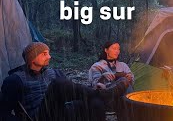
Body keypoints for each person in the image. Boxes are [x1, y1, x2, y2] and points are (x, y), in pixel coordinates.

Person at [0, 42, 130, 121]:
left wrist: (96, 86)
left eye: (48, 53)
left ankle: (101, 94)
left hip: (59, 112)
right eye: (44, 54)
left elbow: (74, 90)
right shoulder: (15, 80)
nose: (49, 56)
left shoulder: (52, 72)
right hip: (39, 117)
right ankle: (104, 94)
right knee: (58, 84)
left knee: (95, 102)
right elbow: (3, 113)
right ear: (32, 58)